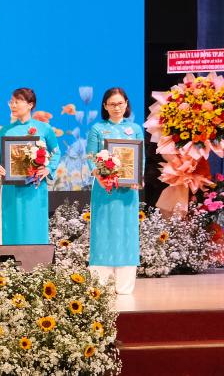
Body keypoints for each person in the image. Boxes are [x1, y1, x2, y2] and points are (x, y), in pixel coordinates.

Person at [86, 87, 143, 295]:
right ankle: (101, 283)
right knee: (104, 228)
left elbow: (140, 157)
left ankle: (124, 285)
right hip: (104, 189)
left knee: (126, 230)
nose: (116, 107)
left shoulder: (135, 129)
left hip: (128, 191)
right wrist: (100, 177)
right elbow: (91, 156)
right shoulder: (98, 129)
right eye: (112, 104)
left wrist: (138, 178)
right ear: (104, 106)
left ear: (126, 104)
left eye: (120, 103)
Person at [0, 87, 62, 245]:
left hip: (35, 188)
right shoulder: (6, 130)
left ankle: (38, 266)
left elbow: (56, 152)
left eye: (17, 102)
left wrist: (48, 169)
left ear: (30, 104)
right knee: (11, 226)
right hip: (11, 189)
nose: (13, 105)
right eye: (11, 102)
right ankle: (9, 265)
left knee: (34, 226)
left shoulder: (44, 128)